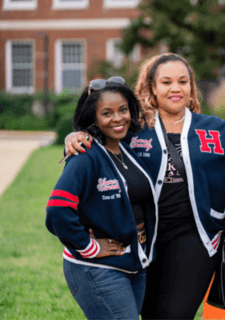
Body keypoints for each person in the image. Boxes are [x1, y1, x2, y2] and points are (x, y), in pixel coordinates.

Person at [64, 53, 225, 319]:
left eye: (183, 81)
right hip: (144, 241)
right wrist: (76, 135)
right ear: (152, 89)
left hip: (195, 239)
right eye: (166, 82)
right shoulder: (134, 130)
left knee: (174, 314)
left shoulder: (215, 129)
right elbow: (101, 140)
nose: (175, 88)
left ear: (192, 88)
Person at [46, 78, 158, 319]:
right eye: (107, 113)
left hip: (134, 260)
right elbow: (57, 210)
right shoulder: (85, 155)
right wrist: (89, 247)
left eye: (123, 110)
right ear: (93, 118)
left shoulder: (126, 148)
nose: (118, 118)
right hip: (98, 268)